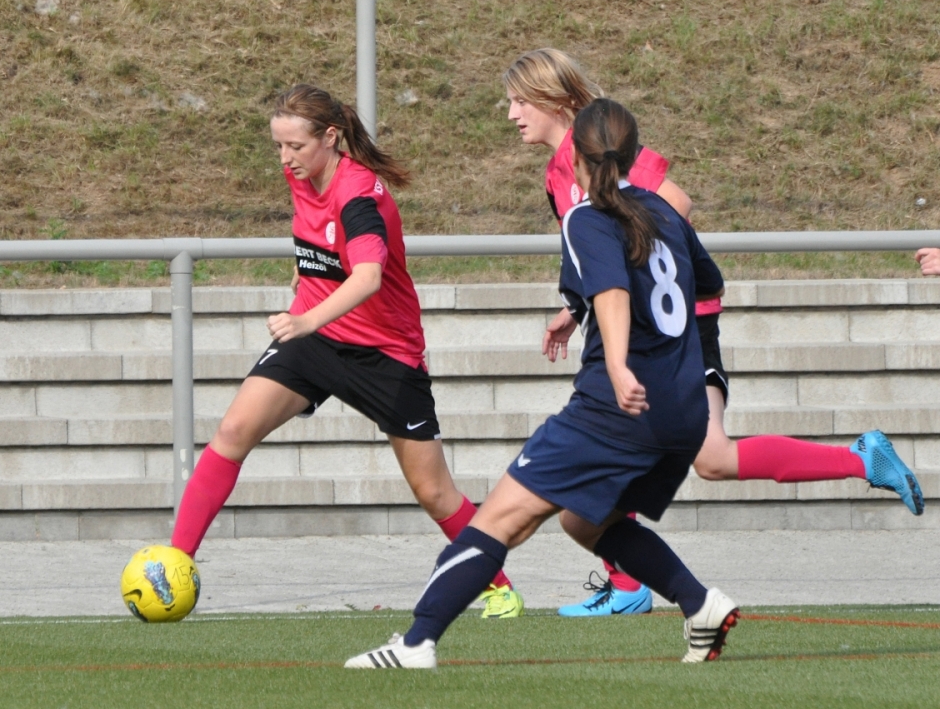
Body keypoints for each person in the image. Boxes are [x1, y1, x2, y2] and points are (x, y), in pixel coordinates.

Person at [504, 49, 925, 619]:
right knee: (650, 450)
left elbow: (673, 205)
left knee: (709, 456)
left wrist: (654, 296)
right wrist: (575, 307)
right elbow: (599, 249)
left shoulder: (598, 143)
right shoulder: (560, 169)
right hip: (650, 323)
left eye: (519, 101)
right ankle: (629, 584)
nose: (512, 114)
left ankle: (860, 459)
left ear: (552, 99)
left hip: (680, 323)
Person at [347, 98, 737, 668]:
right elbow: (708, 285)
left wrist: (620, 364)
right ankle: (700, 605)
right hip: (681, 411)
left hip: (616, 408)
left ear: (575, 155)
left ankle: (415, 643)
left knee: (498, 519)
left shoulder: (586, 215)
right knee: (585, 520)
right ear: (635, 156)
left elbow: (613, 292)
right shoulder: (664, 211)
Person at [169, 83, 523, 619]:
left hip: (384, 353)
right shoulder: (302, 176)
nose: (285, 158)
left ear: (330, 138)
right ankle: (173, 567)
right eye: (278, 146)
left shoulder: (359, 195)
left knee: (434, 492)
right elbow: (321, 241)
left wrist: (304, 318)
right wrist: (307, 274)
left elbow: (368, 276)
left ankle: (499, 585)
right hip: (315, 340)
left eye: (296, 146)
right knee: (233, 431)